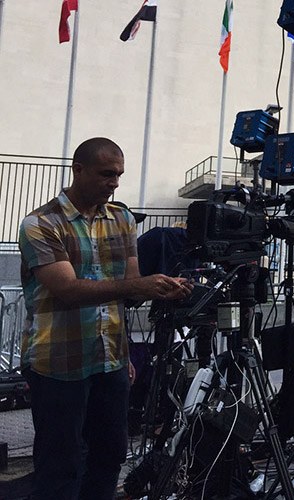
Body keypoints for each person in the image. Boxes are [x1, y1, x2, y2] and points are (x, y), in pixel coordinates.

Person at [18, 137, 192, 500]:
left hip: (109, 360)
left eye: (119, 175)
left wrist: (159, 289)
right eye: (106, 174)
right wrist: (142, 285)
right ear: (77, 170)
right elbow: (67, 290)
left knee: (109, 456)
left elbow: (126, 288)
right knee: (60, 465)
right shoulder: (41, 223)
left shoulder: (122, 218)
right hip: (57, 362)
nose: (114, 182)